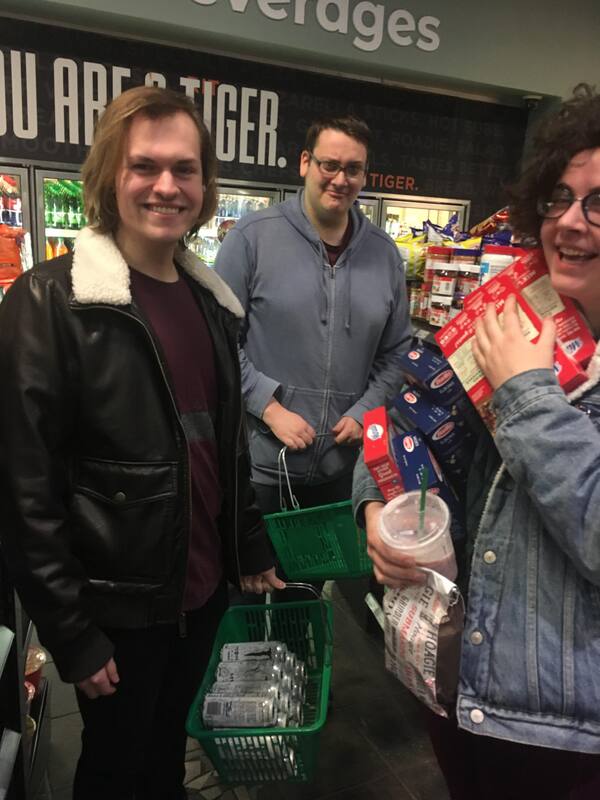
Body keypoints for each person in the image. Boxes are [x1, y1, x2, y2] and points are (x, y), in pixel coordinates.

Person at [0, 85, 284, 800]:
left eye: (185, 169)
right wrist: (71, 631)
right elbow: (23, 488)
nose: (166, 186)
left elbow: (223, 447)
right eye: (144, 166)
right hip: (118, 611)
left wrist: (249, 543)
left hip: (199, 594)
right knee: (114, 770)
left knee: (164, 755)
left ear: (205, 184)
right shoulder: (47, 303)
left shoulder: (211, 303)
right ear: (109, 175)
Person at [353, 84, 600, 800]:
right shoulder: (509, 312)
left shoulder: (522, 360)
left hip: (561, 729)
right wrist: (378, 508)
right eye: (558, 198)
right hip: (460, 685)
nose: (571, 221)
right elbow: (401, 421)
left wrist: (526, 392)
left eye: (598, 203)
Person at [214, 114, 411, 548]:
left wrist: (365, 411)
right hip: (261, 467)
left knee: (310, 585)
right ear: (305, 163)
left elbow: (397, 352)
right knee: (249, 582)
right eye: (329, 165)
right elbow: (217, 340)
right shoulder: (251, 238)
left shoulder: (385, 255)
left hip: (341, 473)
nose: (341, 179)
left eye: (353, 169)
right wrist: (268, 407)